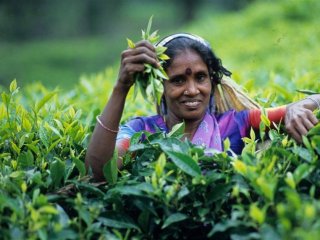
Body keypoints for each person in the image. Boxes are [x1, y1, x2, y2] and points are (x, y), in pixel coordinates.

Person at [85, 33, 320, 181]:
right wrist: (121, 87)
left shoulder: (235, 124)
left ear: (212, 81)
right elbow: (99, 172)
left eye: (200, 77)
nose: (192, 90)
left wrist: (297, 109)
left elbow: (307, 103)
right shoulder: (141, 131)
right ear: (160, 87)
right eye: (178, 80)